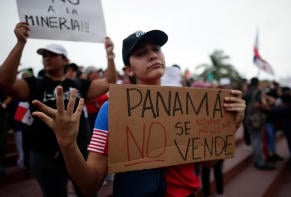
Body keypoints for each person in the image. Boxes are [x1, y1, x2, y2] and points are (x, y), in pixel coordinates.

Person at [31, 30, 246, 197]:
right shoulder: (112, 108)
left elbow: (207, 163)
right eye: (141, 53)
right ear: (129, 70)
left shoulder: (187, 105)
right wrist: (68, 145)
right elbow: (90, 185)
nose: (152, 55)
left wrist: (228, 128)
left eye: (156, 49)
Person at [0, 21, 116, 197]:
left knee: (87, 193)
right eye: (44, 55)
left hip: (79, 152)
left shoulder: (78, 84)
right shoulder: (34, 84)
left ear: (65, 60)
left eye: (53, 54)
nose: (47, 58)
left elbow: (109, 82)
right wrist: (20, 43)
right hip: (45, 156)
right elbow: (3, 82)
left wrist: (110, 55)